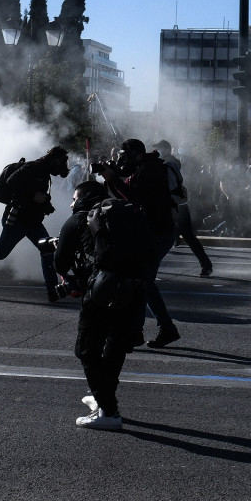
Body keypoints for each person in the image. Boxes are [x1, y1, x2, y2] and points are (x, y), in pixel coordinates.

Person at [52, 181, 147, 430]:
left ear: (84, 198)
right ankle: (102, 398)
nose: (71, 203)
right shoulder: (123, 216)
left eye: (74, 198)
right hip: (135, 288)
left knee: (86, 350)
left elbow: (60, 264)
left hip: (102, 292)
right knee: (114, 349)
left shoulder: (80, 220)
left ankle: (109, 412)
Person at [97, 138, 180, 349]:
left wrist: (113, 178)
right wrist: (110, 178)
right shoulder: (140, 169)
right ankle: (144, 331)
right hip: (152, 232)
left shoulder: (150, 169)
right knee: (142, 282)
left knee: (143, 282)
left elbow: (136, 197)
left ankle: (160, 329)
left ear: (137, 154)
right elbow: (124, 195)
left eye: (125, 157)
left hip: (159, 233)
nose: (123, 161)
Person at [0, 146, 69, 302]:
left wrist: (45, 204)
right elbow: (12, 182)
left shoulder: (44, 172)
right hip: (17, 219)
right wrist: (34, 195)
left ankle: (52, 291)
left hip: (33, 221)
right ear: (53, 159)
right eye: (60, 162)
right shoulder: (33, 167)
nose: (61, 167)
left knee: (47, 250)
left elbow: (34, 193)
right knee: (0, 252)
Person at [153, 140, 213, 277]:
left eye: (159, 149)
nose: (157, 152)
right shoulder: (162, 163)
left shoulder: (172, 162)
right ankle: (152, 267)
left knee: (188, 236)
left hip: (177, 205)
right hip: (170, 205)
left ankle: (206, 265)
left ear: (167, 150)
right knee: (161, 237)